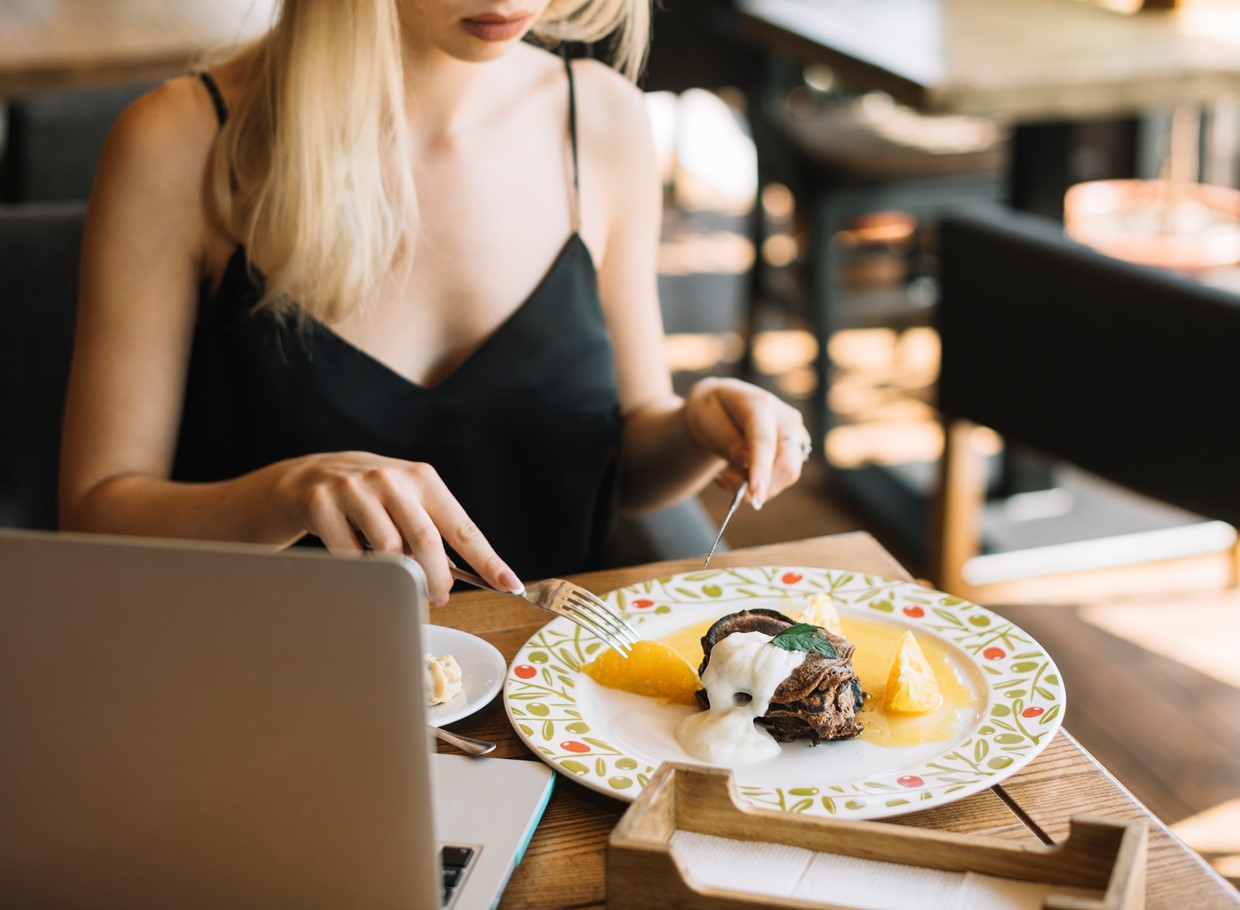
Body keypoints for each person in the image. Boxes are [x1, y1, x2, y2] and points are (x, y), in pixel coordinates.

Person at [59, 0, 813, 606]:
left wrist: (698, 426)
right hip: (272, 694)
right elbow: (94, 520)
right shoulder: (179, 142)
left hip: (558, 702)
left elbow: (624, 464)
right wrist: (284, 496)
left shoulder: (604, 121)